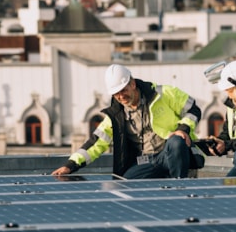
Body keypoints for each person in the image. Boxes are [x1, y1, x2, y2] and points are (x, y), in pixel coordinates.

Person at [52, 64, 202, 179]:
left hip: (168, 154)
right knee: (123, 186)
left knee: (177, 141)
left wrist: (183, 129)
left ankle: (180, 186)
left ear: (133, 84)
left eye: (123, 90)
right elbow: (96, 142)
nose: (121, 96)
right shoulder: (116, 114)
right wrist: (70, 165)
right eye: (116, 93)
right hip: (144, 161)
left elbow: (193, 109)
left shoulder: (164, 93)